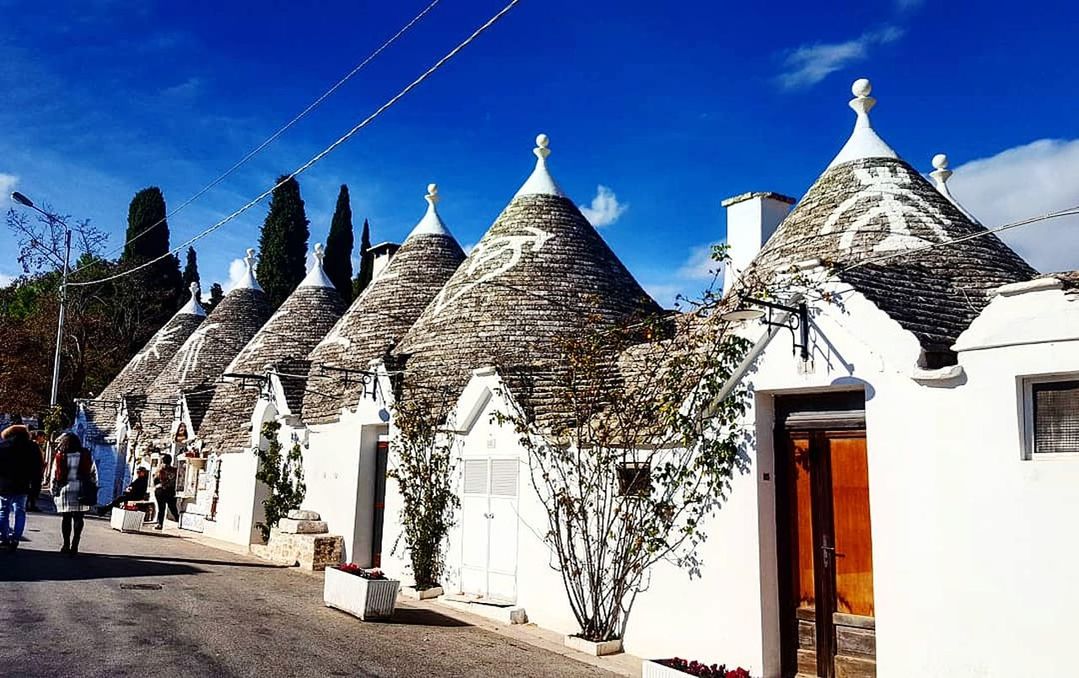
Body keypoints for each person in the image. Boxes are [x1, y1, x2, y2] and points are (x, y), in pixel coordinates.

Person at [52, 432, 98, 555]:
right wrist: (93, 486)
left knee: (66, 518)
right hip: (81, 489)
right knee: (79, 518)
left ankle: (65, 544)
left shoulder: (60, 455)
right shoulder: (85, 455)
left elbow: (55, 473)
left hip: (65, 489)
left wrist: (53, 490)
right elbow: (93, 472)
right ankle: (75, 544)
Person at [0, 423, 43, 551]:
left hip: (4, 484)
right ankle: (16, 538)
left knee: (3, 511)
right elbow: (37, 468)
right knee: (20, 511)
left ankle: (4, 538)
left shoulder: (2, 446)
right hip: (23, 484)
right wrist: (35, 486)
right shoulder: (33, 447)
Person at [153, 454, 179, 530]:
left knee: (161, 508)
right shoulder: (175, 470)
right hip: (171, 491)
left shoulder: (160, 469)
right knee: (173, 507)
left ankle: (160, 523)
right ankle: (179, 521)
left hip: (161, 490)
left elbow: (155, 480)